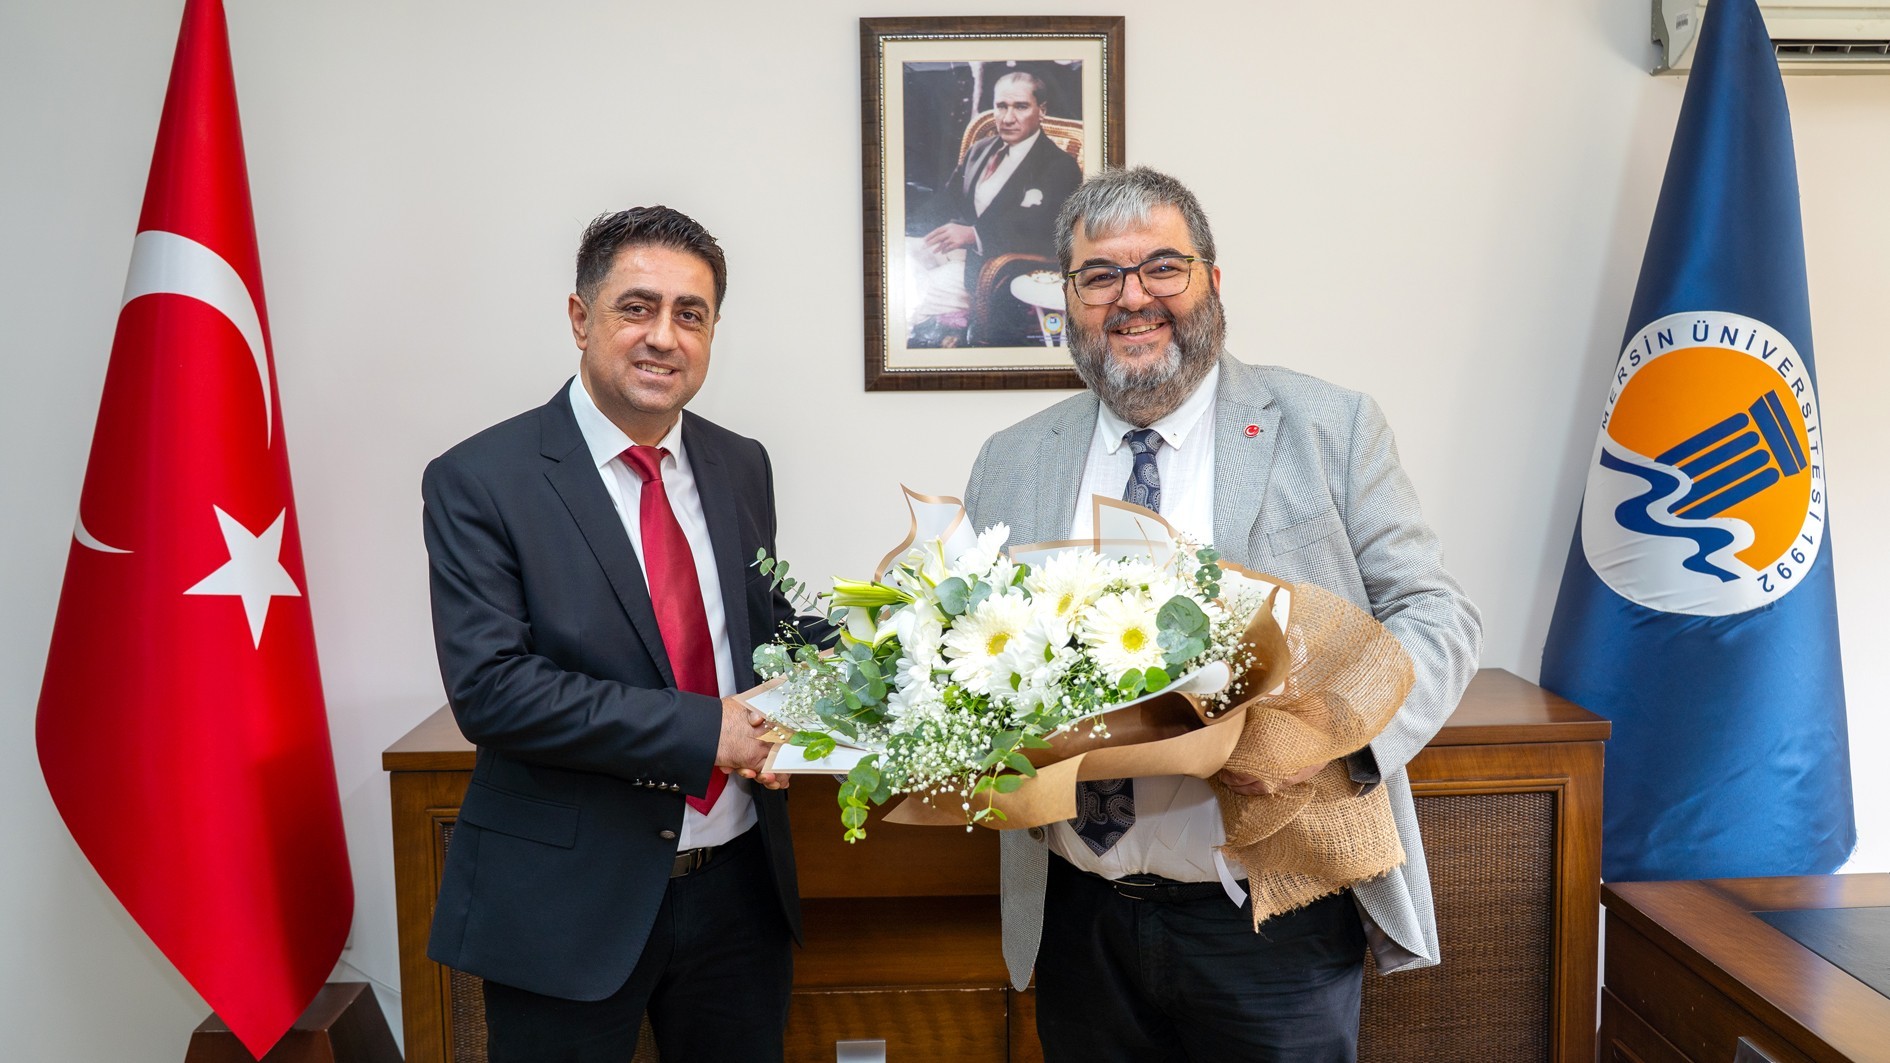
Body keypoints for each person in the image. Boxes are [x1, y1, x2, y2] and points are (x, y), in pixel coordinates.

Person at [963, 167, 1483, 1061]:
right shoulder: (1009, 459)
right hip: (1080, 918)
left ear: (1211, 279)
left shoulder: (1329, 426)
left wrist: (1333, 739)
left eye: (1162, 267)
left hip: (1272, 918)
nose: (1133, 298)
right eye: (1100, 276)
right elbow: (970, 647)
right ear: (1069, 301)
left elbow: (1436, 614)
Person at [421, 206, 805, 1062]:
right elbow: (495, 691)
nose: (664, 336)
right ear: (580, 317)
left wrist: (881, 661)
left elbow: (762, 630)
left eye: (691, 314)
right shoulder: (481, 479)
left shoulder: (742, 462)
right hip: (566, 902)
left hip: (739, 892)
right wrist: (711, 730)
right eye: (637, 307)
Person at [910, 70, 1085, 347]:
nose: (1007, 117)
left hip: (998, 271)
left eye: (1021, 106)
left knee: (913, 297)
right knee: (900, 259)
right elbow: (947, 200)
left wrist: (974, 235)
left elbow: (1041, 230)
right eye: (1001, 106)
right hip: (958, 254)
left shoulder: (1059, 166)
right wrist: (909, 230)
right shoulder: (980, 150)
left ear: (1041, 110)